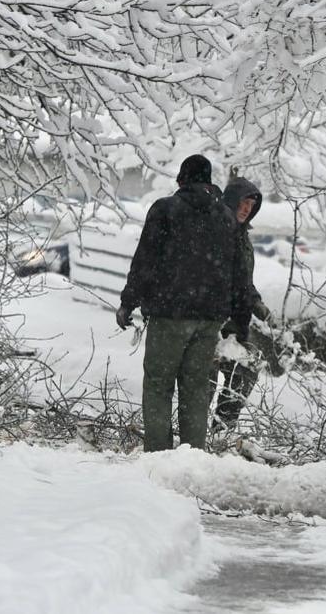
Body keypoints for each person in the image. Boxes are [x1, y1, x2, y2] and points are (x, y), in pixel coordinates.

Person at [116, 154, 251, 452]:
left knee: (159, 385)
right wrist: (241, 320)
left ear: (181, 180)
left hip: (170, 314)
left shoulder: (166, 209)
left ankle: (158, 455)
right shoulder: (226, 218)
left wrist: (129, 301)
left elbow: (145, 261)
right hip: (210, 318)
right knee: (196, 388)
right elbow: (238, 272)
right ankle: (192, 456)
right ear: (209, 182)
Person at [210, 175, 274, 432]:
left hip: (236, 323)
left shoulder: (242, 237)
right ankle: (192, 440)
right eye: (243, 202)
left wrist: (257, 304)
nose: (247, 208)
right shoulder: (217, 231)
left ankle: (222, 427)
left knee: (247, 369)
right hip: (213, 319)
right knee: (207, 378)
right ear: (231, 201)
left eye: (251, 204)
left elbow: (243, 280)